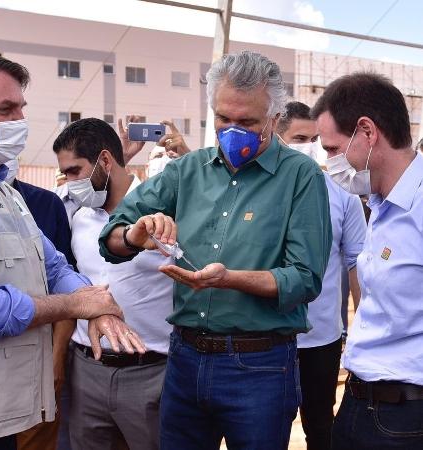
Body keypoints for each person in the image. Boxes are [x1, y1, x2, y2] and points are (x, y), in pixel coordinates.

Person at [98, 50, 332, 450]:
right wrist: (135, 236)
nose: (232, 130)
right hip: (186, 358)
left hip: (258, 366)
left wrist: (230, 280)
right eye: (224, 119)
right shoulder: (186, 171)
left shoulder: (301, 176)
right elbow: (111, 238)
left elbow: (305, 278)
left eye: (247, 122)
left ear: (273, 119)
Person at [0, 51, 144, 450]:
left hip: (2, 411)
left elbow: (53, 265)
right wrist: (75, 306)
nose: (19, 121)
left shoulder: (2, 191)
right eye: (5, 109)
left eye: (21, 108)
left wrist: (95, 303)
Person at [312, 72, 423, 450]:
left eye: (332, 149)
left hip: (405, 415)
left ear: (367, 132)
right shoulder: (380, 205)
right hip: (360, 402)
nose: (329, 163)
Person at [53, 118, 173, 450]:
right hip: (86, 369)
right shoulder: (76, 215)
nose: (70, 182)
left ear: (105, 161)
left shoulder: (162, 211)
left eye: (76, 171)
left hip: (152, 372)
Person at [277, 101, 366, 450]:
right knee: (266, 429)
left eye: (316, 139)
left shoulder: (342, 193)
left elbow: (357, 262)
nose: (311, 147)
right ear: (277, 136)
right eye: (300, 137)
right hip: (268, 340)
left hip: (321, 340)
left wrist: (361, 332)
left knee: (320, 425)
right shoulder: (260, 191)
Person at [3, 160, 76, 450]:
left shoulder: (41, 204)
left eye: (17, 112)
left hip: (36, 363)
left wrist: (57, 357)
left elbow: (60, 274)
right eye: (4, 111)